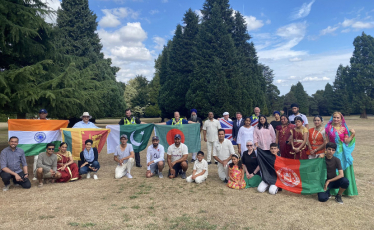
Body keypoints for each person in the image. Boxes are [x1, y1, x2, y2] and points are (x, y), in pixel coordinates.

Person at [325, 112, 357, 196]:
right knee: (331, 169)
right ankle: (331, 190)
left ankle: (341, 191)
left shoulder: (344, 128)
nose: (336, 119)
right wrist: (325, 151)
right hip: (331, 151)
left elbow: (346, 141)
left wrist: (353, 134)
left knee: (340, 169)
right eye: (334, 117)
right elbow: (327, 141)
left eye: (337, 118)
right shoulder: (328, 128)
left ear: (341, 119)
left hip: (341, 152)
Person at [32, 109, 49, 181]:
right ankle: (35, 174)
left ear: (46, 114)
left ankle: (46, 173)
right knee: (36, 158)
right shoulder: (35, 122)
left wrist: (66, 122)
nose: (42, 114)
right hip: (37, 144)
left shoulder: (50, 122)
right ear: (39, 114)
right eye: (41, 113)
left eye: (44, 113)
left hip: (47, 143)